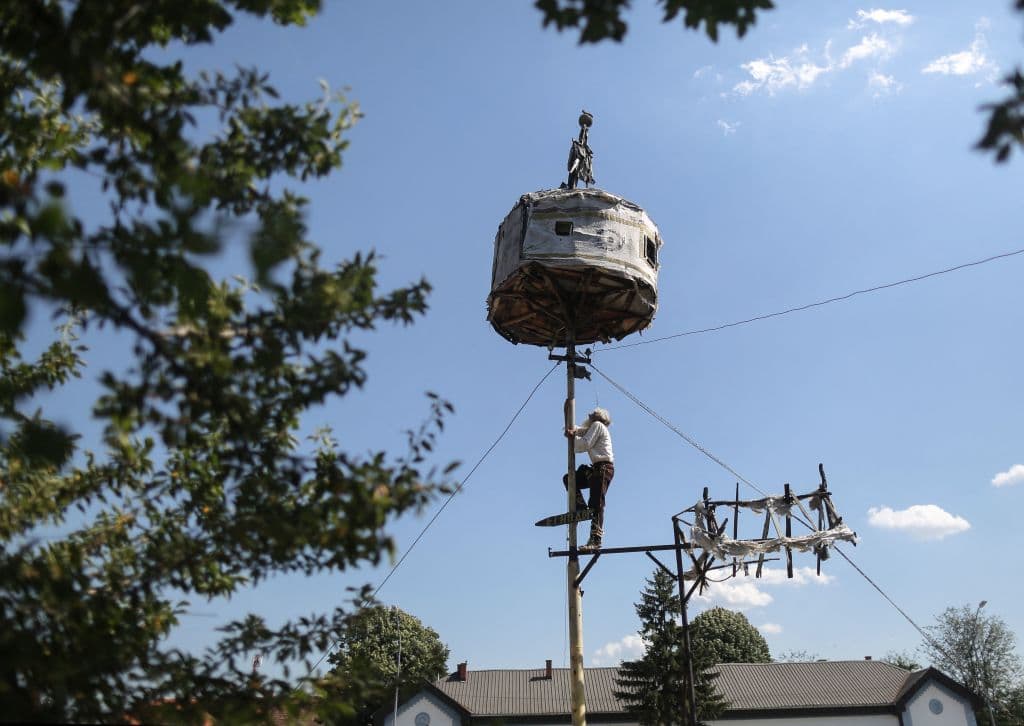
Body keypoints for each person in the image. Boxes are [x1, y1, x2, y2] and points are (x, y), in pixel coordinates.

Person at [562, 407, 614, 552]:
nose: (588, 415)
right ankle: (580, 506)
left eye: (592, 414)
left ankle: (595, 540)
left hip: (603, 469)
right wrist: (570, 429)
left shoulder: (597, 425)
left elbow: (583, 445)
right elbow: (580, 431)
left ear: (597, 417)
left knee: (597, 503)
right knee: (570, 479)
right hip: (597, 469)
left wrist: (572, 437)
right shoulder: (594, 428)